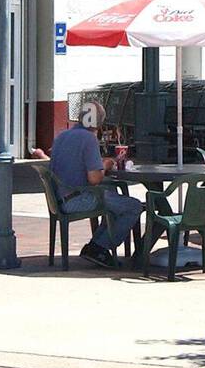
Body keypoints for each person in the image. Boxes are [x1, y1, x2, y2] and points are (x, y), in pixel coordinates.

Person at [49, 102, 143, 269]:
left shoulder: (62, 136)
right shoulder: (89, 138)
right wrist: (106, 165)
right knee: (133, 206)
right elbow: (94, 179)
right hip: (77, 199)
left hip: (59, 198)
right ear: (100, 122)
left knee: (114, 196)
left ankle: (96, 245)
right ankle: (100, 247)